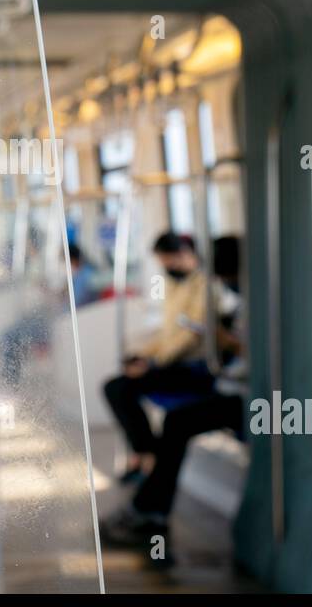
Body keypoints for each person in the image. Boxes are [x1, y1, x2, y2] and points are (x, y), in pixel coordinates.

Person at [100, 234, 247, 567]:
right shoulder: (179, 288)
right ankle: (150, 503)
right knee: (136, 398)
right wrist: (145, 356)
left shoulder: (210, 289)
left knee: (172, 418)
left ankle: (148, 500)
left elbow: (196, 340)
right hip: (224, 381)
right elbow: (171, 331)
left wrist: (154, 363)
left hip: (227, 385)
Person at [0, 242, 99, 385]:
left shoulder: (86, 277)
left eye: (63, 261)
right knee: (17, 329)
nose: (62, 265)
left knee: (9, 336)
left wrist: (54, 302)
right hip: (58, 320)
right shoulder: (80, 275)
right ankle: (12, 378)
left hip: (62, 324)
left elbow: (72, 305)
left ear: (71, 259)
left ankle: (10, 382)